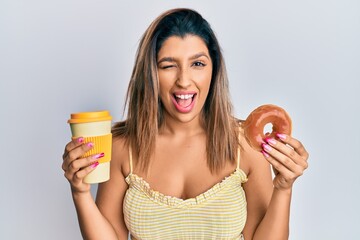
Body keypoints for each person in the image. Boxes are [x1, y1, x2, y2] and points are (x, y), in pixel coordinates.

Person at [62, 8, 309, 240]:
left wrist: (284, 188)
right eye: (168, 65)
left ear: (214, 70)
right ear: (151, 74)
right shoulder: (121, 147)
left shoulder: (245, 144)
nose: (184, 80)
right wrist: (80, 192)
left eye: (198, 64)